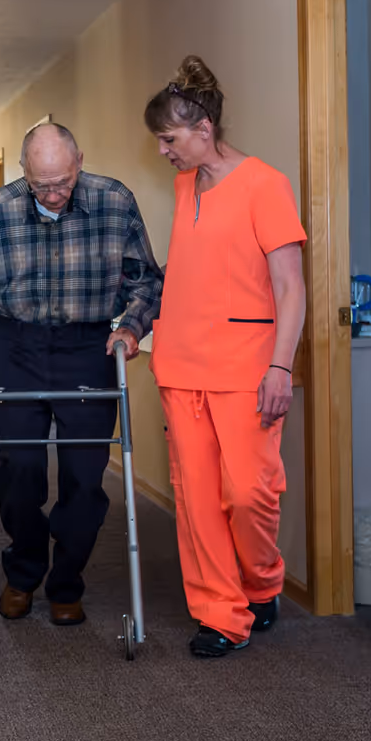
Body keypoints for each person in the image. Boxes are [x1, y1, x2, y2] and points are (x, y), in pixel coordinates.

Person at [0, 120, 163, 626]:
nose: (55, 194)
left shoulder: (114, 201)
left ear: (79, 161)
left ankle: (67, 583)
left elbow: (147, 282)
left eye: (62, 182)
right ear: (24, 173)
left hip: (89, 346)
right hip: (19, 345)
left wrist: (131, 327)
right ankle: (23, 573)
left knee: (85, 478)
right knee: (21, 470)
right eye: (42, 185)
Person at [143, 57, 307, 658]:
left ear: (203, 127)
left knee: (248, 492)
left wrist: (281, 367)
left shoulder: (265, 184)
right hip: (181, 366)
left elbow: (291, 286)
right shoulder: (186, 186)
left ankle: (262, 583)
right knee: (196, 499)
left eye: (169, 138)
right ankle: (220, 613)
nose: (164, 152)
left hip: (247, 369)